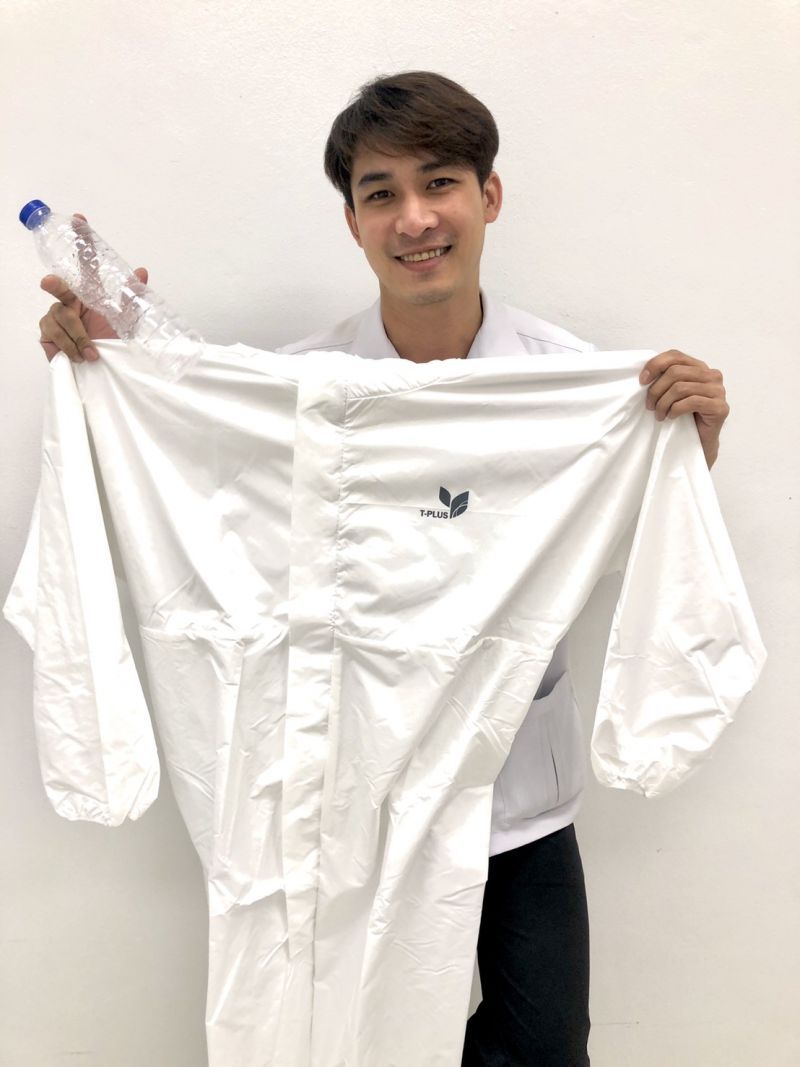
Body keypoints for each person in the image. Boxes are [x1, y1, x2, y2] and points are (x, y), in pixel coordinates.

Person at [35, 71, 729, 1067]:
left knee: (544, 1045)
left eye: (439, 183)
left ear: (488, 196)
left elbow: (620, 547)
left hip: (515, 797)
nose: (414, 218)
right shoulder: (305, 389)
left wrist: (683, 451)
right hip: (349, 794)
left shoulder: (570, 382)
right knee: (351, 1037)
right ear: (352, 221)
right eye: (380, 193)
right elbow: (211, 504)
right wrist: (123, 370)